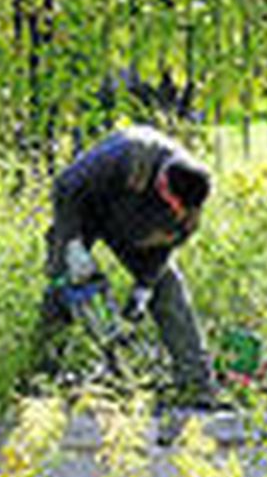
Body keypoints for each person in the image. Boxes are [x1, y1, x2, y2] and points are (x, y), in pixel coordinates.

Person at [43, 124, 215, 405]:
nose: (177, 213)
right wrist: (72, 244)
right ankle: (41, 376)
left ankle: (195, 383)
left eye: (180, 211)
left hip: (134, 229)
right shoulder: (126, 154)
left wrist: (143, 288)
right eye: (172, 205)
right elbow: (65, 187)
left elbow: (165, 248)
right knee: (65, 288)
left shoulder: (189, 206)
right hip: (82, 211)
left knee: (168, 290)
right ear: (162, 184)